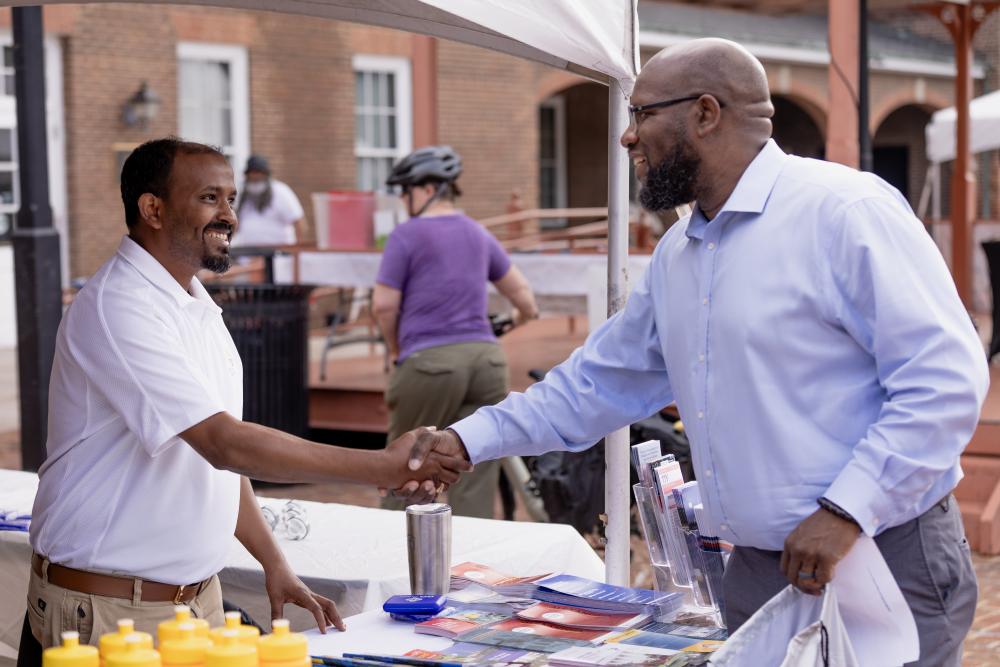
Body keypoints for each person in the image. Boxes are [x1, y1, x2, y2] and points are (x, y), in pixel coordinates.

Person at [396, 40, 988, 666]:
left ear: (706, 114)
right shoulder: (679, 253)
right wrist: (467, 440)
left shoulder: (844, 213)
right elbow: (594, 385)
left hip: (883, 555)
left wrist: (847, 510)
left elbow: (944, 382)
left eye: (642, 114)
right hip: (763, 571)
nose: (628, 138)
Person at [20, 138, 469, 659]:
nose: (229, 215)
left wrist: (273, 563)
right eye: (211, 198)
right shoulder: (118, 305)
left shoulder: (193, 301)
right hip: (110, 614)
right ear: (153, 209)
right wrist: (382, 467)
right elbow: (223, 444)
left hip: (192, 604)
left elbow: (215, 464)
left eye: (231, 199)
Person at [372, 145, 538, 519]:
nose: (402, 199)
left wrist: (400, 350)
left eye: (406, 190)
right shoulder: (478, 233)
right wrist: (516, 321)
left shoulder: (406, 235)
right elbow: (526, 299)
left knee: (404, 465)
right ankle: (469, 568)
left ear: (428, 189)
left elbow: (383, 306)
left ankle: (389, 558)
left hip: (430, 363)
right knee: (474, 466)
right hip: (487, 362)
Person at [232, 154, 305, 246]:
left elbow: (299, 222)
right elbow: (236, 223)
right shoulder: (242, 194)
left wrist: (297, 254)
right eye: (252, 175)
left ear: (266, 175)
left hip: (279, 255)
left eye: (259, 176)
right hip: (247, 253)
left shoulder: (281, 191)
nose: (255, 177)